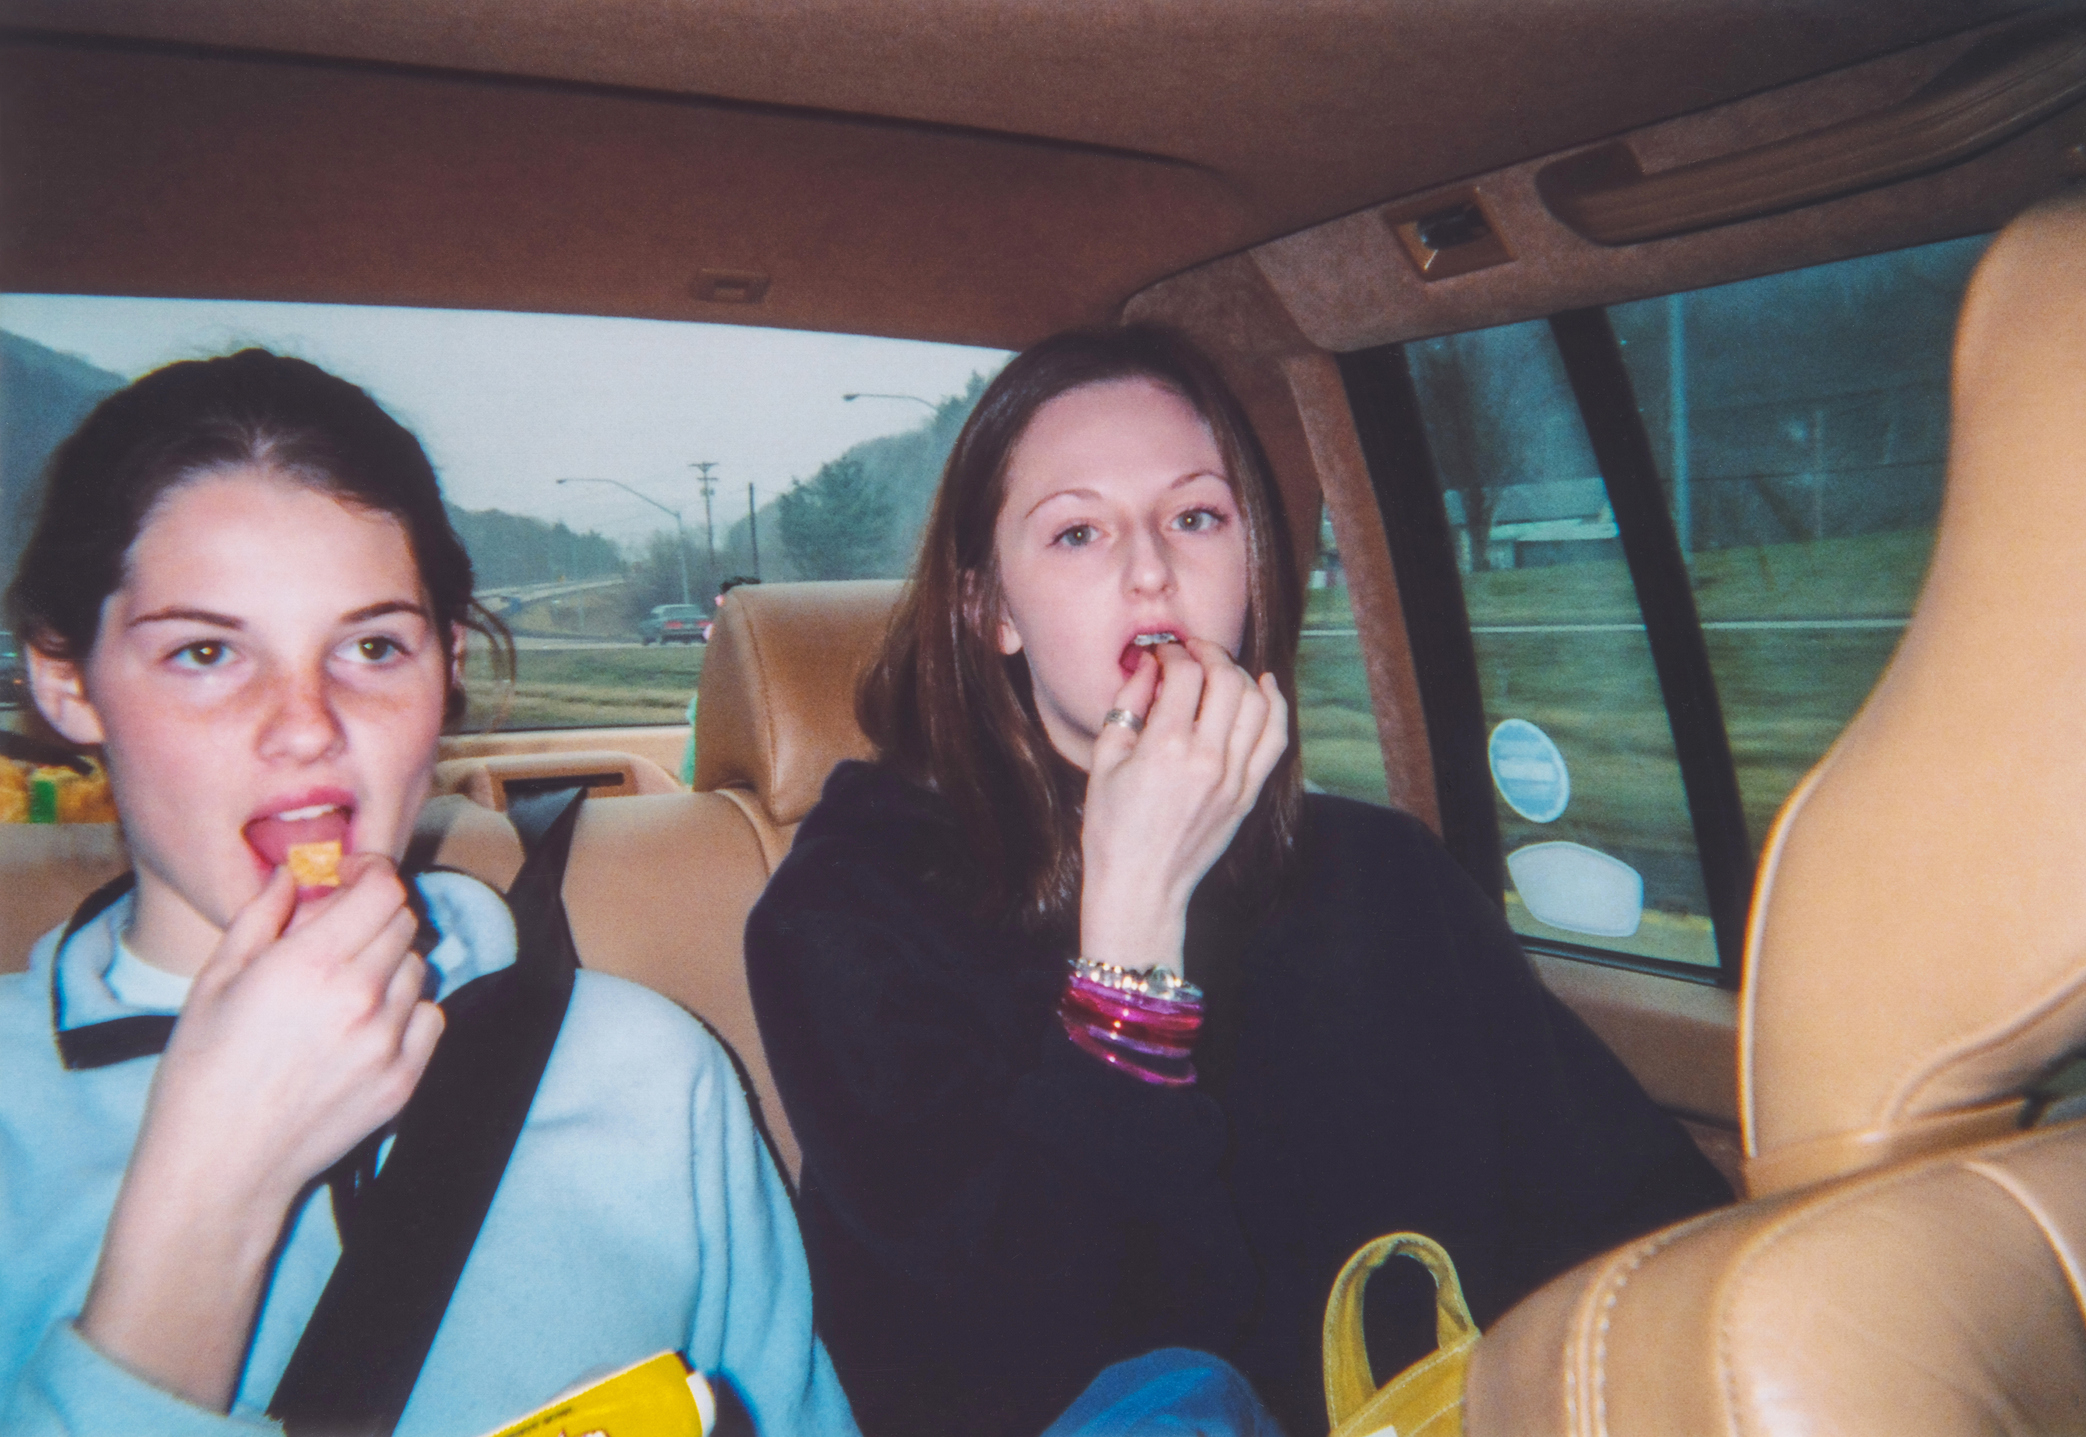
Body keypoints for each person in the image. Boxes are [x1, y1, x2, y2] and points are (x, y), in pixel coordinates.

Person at [744, 326, 1734, 1437]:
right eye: (1076, 532)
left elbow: (1626, 1212)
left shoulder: (1386, 875)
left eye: (1196, 517)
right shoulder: (846, 919)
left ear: (1253, 567)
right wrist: (1131, 936)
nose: (1150, 568)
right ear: (992, 613)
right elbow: (1003, 1361)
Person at [0, 350, 855, 1436]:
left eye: (371, 645)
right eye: (207, 651)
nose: (307, 724)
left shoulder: (648, 1072)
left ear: (445, 666)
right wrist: (212, 1194)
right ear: (67, 681)